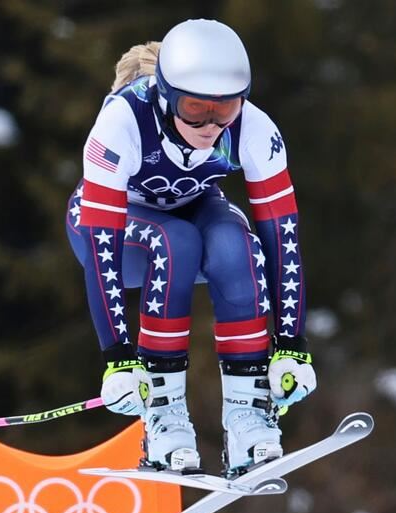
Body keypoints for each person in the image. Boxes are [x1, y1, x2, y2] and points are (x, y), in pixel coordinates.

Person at [65, 18, 316, 477]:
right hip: (117, 237)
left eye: (225, 110)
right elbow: (103, 243)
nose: (210, 124)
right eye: (195, 108)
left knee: (234, 244)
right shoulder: (122, 122)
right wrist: (118, 358)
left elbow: (283, 237)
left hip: (194, 210)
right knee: (175, 240)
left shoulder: (253, 128)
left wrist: (292, 345)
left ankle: (247, 417)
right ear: (164, 97)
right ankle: (163, 416)